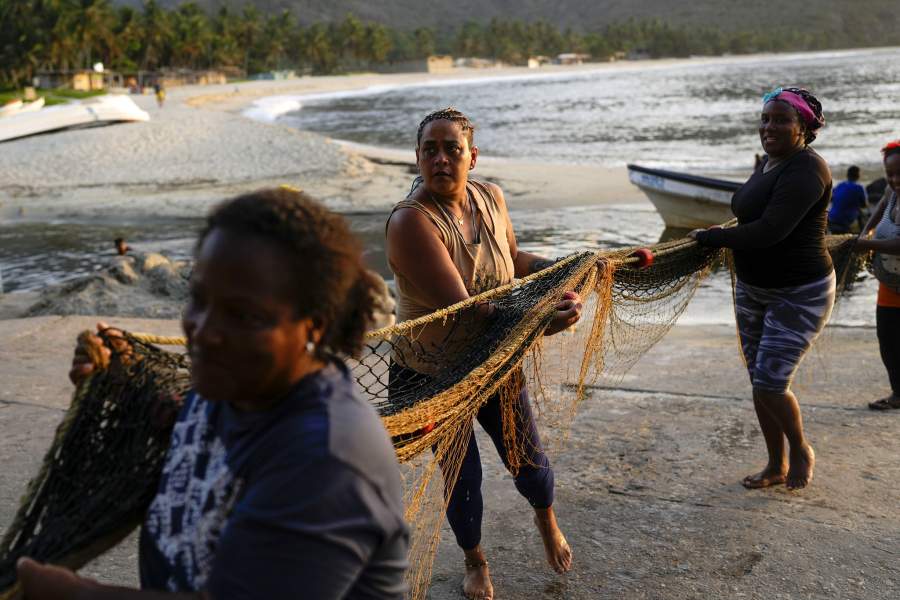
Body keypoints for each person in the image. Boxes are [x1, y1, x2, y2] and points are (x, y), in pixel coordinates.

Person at [17, 188, 409, 599]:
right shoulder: (229, 388)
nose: (203, 331)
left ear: (314, 325)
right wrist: (106, 385)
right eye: (198, 300)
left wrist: (74, 594)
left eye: (244, 315)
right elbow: (173, 421)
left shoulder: (329, 456)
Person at [385, 108, 581, 600]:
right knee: (463, 475)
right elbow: (467, 310)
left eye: (453, 148)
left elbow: (513, 261)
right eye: (430, 149)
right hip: (431, 374)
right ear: (417, 158)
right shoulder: (412, 222)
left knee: (529, 462)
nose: (441, 158)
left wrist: (565, 270)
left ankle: (547, 520)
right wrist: (542, 320)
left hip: (493, 359)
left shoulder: (490, 197)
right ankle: (475, 561)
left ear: (473, 156)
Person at [688, 87, 834, 491]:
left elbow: (771, 231)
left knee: (771, 383)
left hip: (800, 292)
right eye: (766, 119)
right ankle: (775, 463)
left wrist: (714, 238)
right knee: (759, 380)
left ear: (803, 127)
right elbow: (750, 215)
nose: (769, 127)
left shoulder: (807, 170)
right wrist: (722, 235)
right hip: (753, 288)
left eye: (782, 120)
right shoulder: (770, 163)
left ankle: (801, 449)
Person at [856, 141, 900, 410]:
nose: (895, 180)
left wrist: (867, 245)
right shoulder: (891, 192)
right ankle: (898, 393)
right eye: (890, 174)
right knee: (888, 341)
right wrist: (865, 232)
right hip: (890, 283)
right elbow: (880, 206)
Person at [827, 165, 867, 233]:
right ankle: (863, 233)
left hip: (831, 217)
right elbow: (864, 205)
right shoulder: (859, 187)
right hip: (844, 220)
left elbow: (831, 199)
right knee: (860, 212)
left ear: (847, 175)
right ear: (858, 175)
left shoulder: (840, 185)